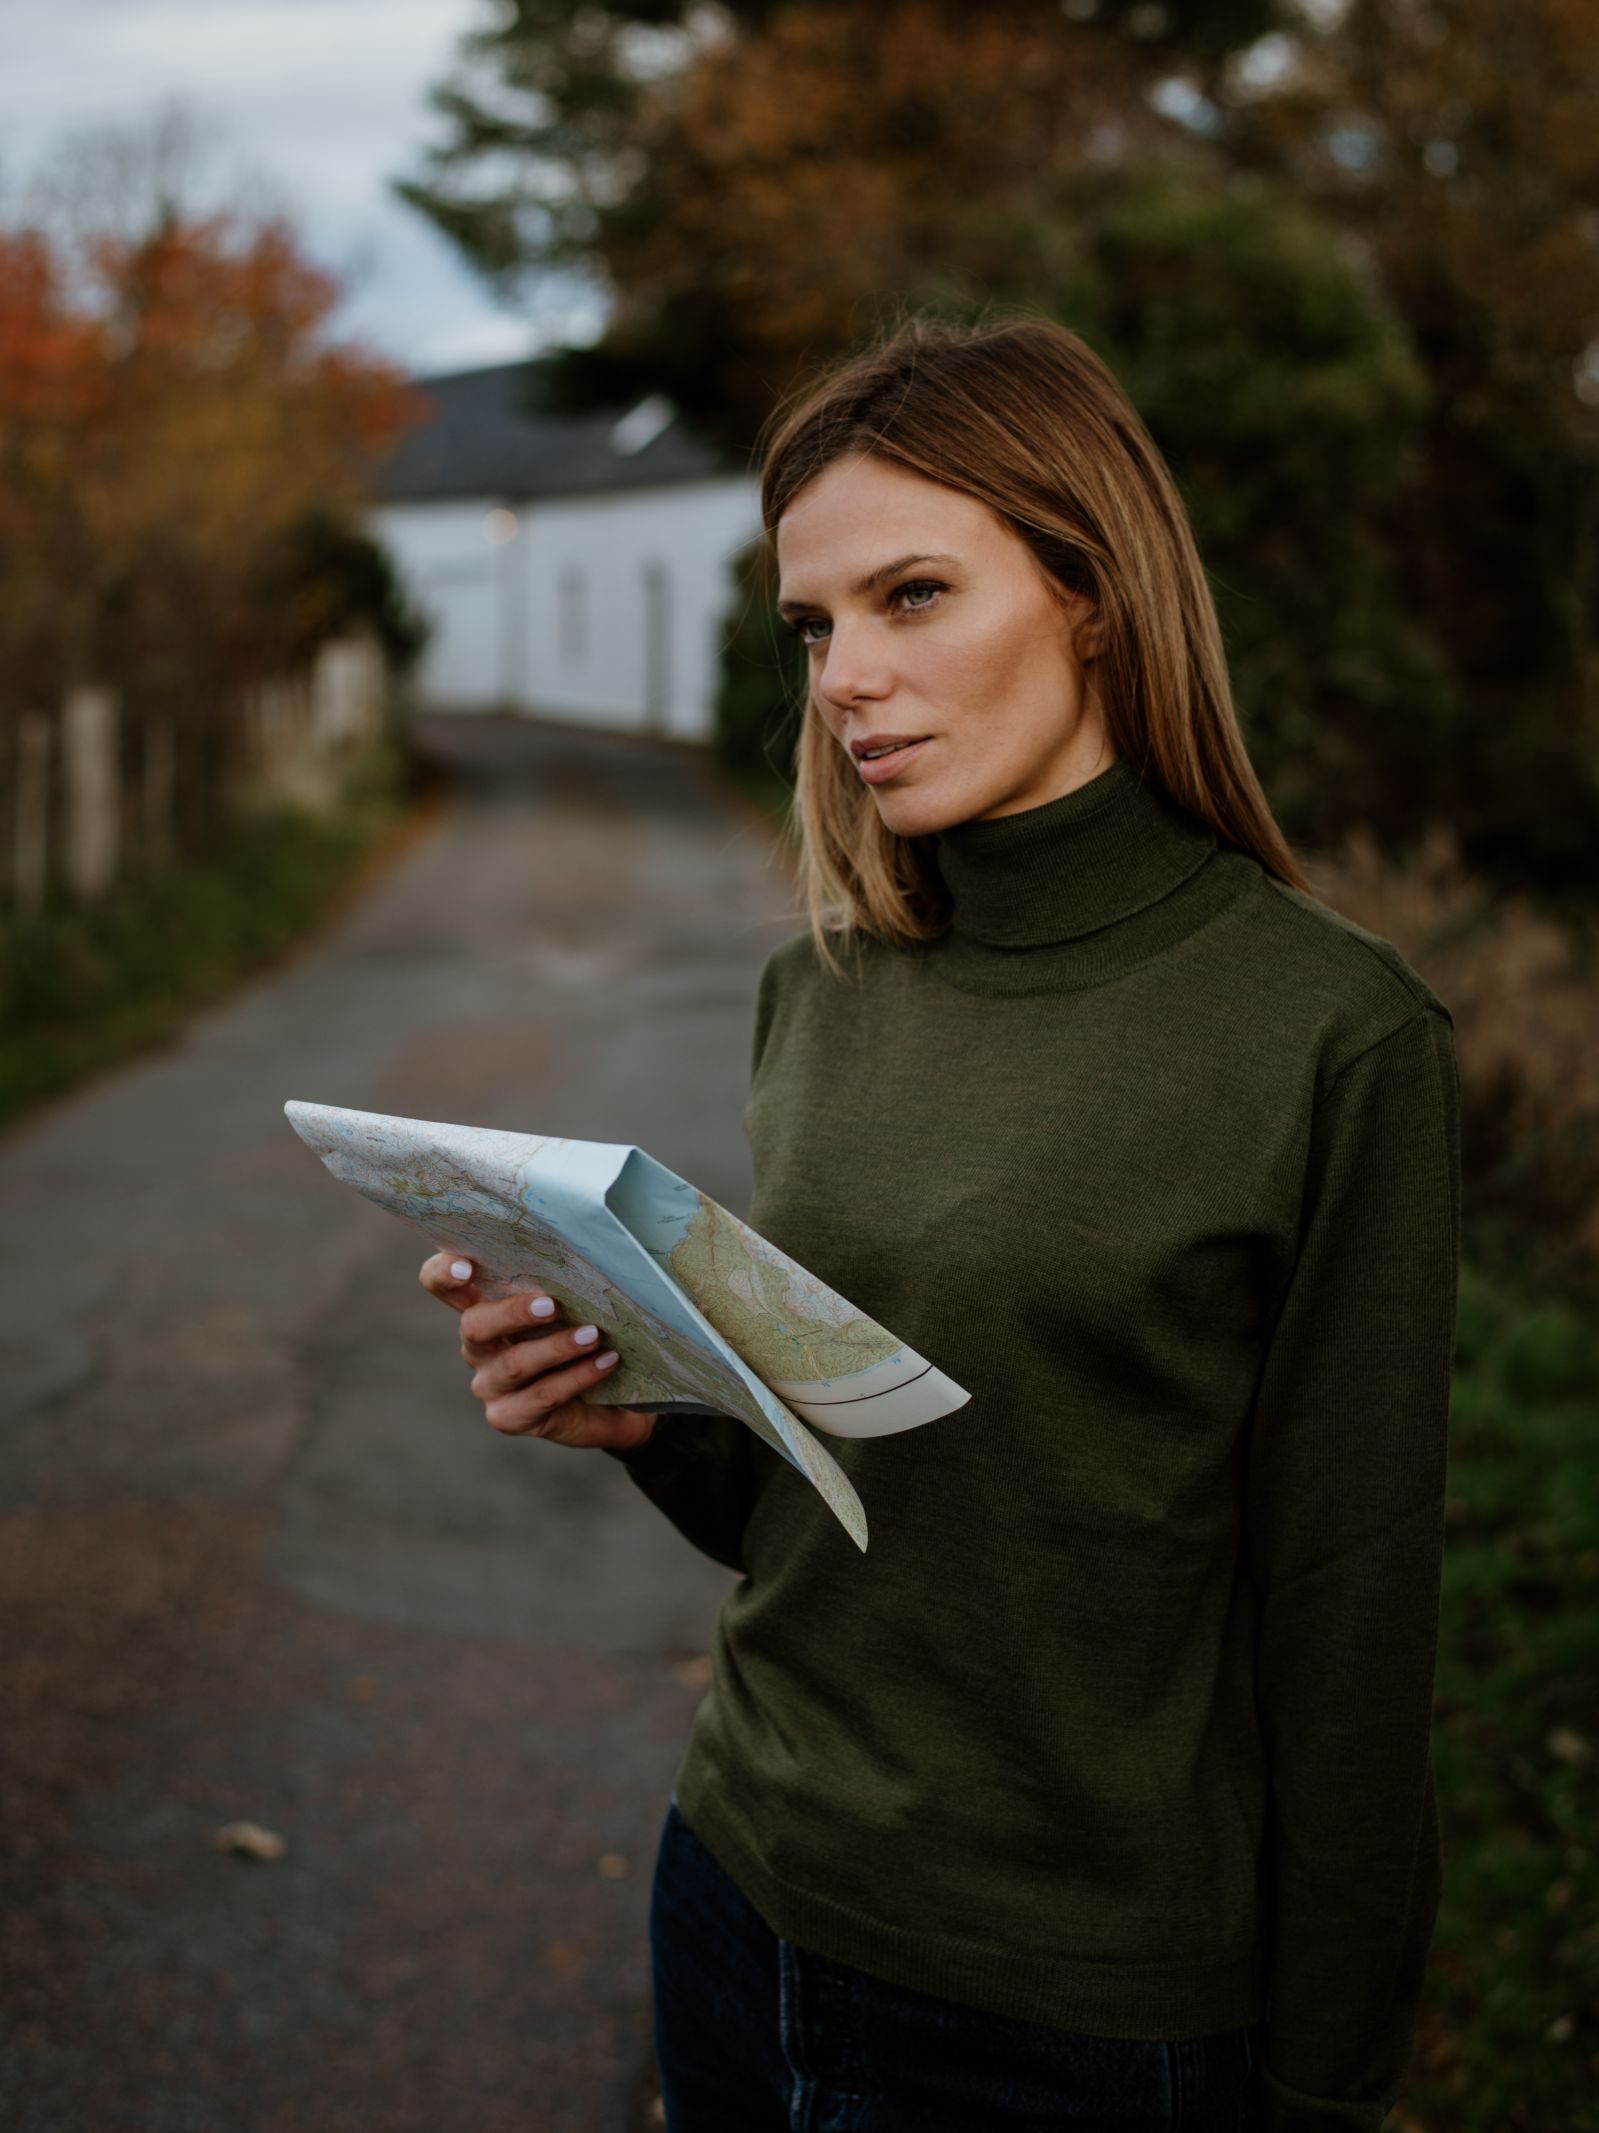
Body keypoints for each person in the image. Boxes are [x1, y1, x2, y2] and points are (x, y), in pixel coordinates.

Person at [418, 312, 1461, 2133]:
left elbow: (1350, 1633)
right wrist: (638, 1411)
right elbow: (833, 1514)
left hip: (1072, 2016)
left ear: (1094, 593)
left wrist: (1325, 2085)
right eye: (815, 624)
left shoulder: (1329, 1036)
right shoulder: (818, 987)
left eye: (912, 595)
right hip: (741, 1891)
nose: (843, 676)